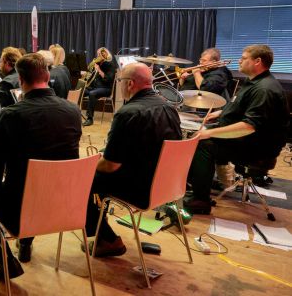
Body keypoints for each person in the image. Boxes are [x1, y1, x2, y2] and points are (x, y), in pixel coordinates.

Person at [0, 53, 82, 280]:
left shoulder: (10, 116)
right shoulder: (72, 111)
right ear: (47, 76)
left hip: (22, 211)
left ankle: (3, 259)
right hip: (66, 206)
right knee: (32, 181)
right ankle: (25, 243)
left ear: (21, 81)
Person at [83, 63, 181, 256]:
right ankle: (103, 232)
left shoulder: (128, 113)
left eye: (120, 80)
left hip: (141, 190)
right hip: (167, 186)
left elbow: (110, 165)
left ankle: (108, 240)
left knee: (85, 180)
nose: (119, 84)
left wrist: (89, 165)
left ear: (129, 84)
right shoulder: (169, 108)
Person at [185, 45, 289, 214]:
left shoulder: (264, 89)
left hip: (257, 149)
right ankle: (201, 184)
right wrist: (220, 113)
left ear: (257, 61)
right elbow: (240, 107)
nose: (239, 61)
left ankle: (200, 200)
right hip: (248, 141)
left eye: (244, 58)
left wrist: (208, 133)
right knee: (202, 135)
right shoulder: (254, 81)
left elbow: (249, 126)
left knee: (202, 144)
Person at [82, 47, 117, 126]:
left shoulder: (110, 65)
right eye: (97, 54)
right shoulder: (98, 64)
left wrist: (99, 70)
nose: (98, 56)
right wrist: (86, 74)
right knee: (81, 91)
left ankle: (90, 118)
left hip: (106, 89)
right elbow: (91, 75)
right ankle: (75, 113)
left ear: (105, 55)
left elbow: (108, 79)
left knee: (92, 93)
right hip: (95, 87)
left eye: (100, 54)